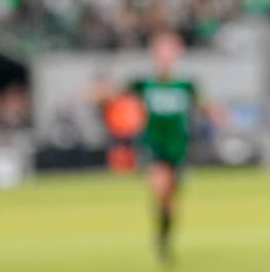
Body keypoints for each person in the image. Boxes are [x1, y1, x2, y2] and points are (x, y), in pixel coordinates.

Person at [92, 30, 216, 265]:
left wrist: (217, 114)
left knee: (171, 199)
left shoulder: (186, 85)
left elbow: (205, 105)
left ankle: (163, 236)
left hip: (178, 146)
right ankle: (162, 238)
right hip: (153, 144)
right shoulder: (144, 83)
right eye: (162, 49)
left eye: (170, 49)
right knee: (161, 185)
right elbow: (115, 93)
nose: (166, 55)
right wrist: (96, 93)